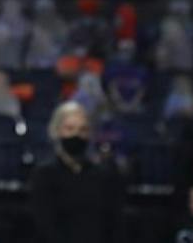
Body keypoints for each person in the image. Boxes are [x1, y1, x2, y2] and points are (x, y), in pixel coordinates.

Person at [27, 101, 123, 243]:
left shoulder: (104, 176)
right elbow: (45, 225)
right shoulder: (44, 175)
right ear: (57, 131)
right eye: (70, 129)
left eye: (82, 129)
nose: (76, 135)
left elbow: (113, 224)